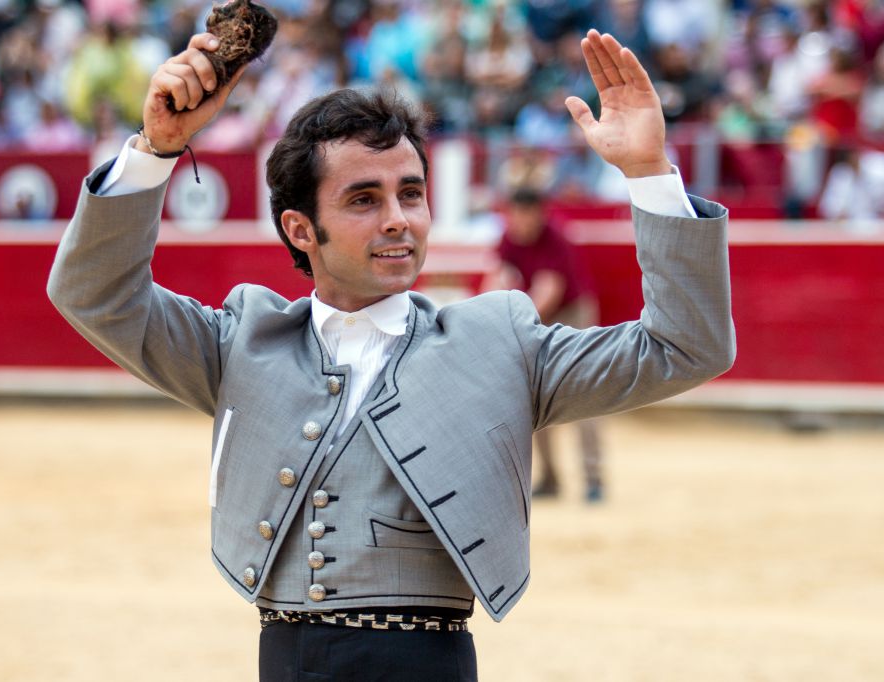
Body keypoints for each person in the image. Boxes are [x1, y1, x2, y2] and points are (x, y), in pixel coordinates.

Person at [48, 29, 735, 681]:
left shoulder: (499, 343)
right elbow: (94, 293)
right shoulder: (240, 342)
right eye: (363, 199)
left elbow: (686, 345)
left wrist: (648, 172)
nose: (398, 218)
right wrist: (155, 149)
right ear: (300, 228)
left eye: (411, 193)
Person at [487, 186, 605, 501]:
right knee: (535, 397)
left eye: (526, 216)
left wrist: (512, 323)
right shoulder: (508, 238)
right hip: (538, 314)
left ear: (539, 214)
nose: (520, 223)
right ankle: (550, 479)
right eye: (515, 216)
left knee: (584, 394)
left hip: (572, 314)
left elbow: (549, 289)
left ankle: (594, 480)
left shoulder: (556, 240)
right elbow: (498, 278)